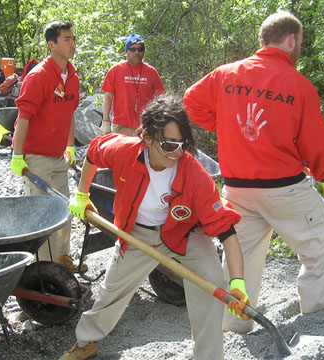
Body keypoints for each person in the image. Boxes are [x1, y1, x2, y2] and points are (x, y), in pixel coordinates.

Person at [183, 10, 324, 335]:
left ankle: (234, 321)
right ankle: (317, 302)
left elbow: (191, 101)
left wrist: (222, 125)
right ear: (291, 40)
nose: (299, 46)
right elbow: (315, 142)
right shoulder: (299, 85)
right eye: (299, 41)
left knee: (240, 258)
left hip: (237, 190)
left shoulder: (226, 74)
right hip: (284, 189)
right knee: (316, 239)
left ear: (262, 40)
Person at [59, 95, 250, 360]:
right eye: (169, 145)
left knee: (211, 285)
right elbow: (93, 153)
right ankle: (85, 343)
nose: (177, 153)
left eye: (182, 144)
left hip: (185, 235)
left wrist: (238, 281)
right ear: (147, 137)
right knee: (111, 292)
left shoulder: (195, 174)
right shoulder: (124, 151)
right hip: (137, 233)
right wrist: (82, 195)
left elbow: (226, 230)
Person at [10, 21, 85, 272]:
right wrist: (18, 155)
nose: (73, 44)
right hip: (36, 157)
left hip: (58, 156)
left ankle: (62, 259)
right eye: (67, 39)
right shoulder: (39, 76)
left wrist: (70, 146)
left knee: (64, 211)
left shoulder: (72, 76)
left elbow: (70, 113)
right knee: (43, 216)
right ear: (52, 45)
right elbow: (24, 117)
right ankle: (46, 269)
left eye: (74, 39)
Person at [100, 33, 165, 136]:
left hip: (144, 127)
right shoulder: (116, 70)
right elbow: (108, 96)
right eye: (132, 49)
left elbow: (160, 99)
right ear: (126, 50)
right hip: (121, 126)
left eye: (140, 49)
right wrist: (105, 121)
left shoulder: (151, 72)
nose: (137, 52)